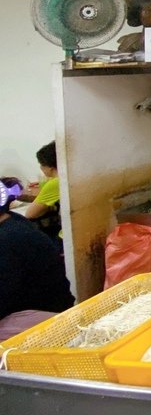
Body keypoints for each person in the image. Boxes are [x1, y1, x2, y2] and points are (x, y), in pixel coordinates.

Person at [0, 181, 75, 340]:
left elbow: (4, 299)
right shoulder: (12, 220)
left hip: (43, 317)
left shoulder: (8, 239)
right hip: (39, 306)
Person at [16, 141, 62, 246]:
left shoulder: (55, 183)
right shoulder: (67, 177)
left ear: (50, 167)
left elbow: (30, 214)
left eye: (41, 164)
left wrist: (47, 186)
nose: (40, 168)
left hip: (62, 237)